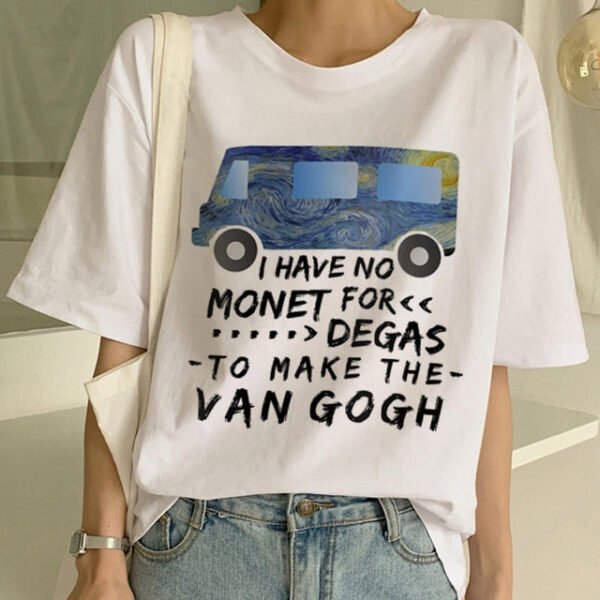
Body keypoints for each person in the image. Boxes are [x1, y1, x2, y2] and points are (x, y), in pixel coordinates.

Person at [6, 1, 589, 599]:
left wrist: (494, 576)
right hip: (196, 544)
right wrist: (99, 556)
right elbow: (121, 341)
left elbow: (483, 358)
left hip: (401, 556)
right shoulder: (163, 57)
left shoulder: (488, 65)